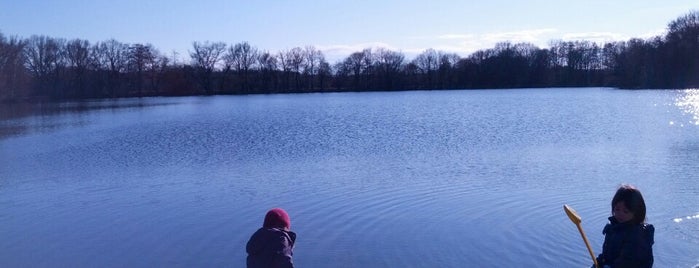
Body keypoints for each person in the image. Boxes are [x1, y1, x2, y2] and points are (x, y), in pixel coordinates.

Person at [594, 184, 654, 268]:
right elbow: (605, 255)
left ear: (636, 212)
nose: (620, 214)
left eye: (625, 211)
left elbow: (627, 262)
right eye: (617, 209)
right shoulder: (612, 228)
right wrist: (597, 264)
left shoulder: (638, 236)